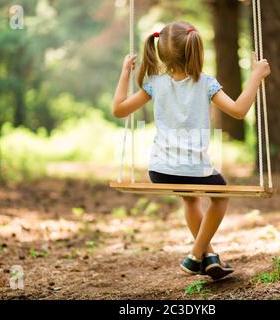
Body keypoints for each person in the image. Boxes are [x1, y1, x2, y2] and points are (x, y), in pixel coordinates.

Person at [112, 21, 271, 280]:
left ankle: (210, 257)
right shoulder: (206, 83)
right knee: (220, 197)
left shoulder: (154, 83)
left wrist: (125, 73)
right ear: (195, 50)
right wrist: (255, 76)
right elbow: (239, 111)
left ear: (161, 52)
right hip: (195, 170)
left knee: (191, 198)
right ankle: (195, 255)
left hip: (160, 171)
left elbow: (119, 110)